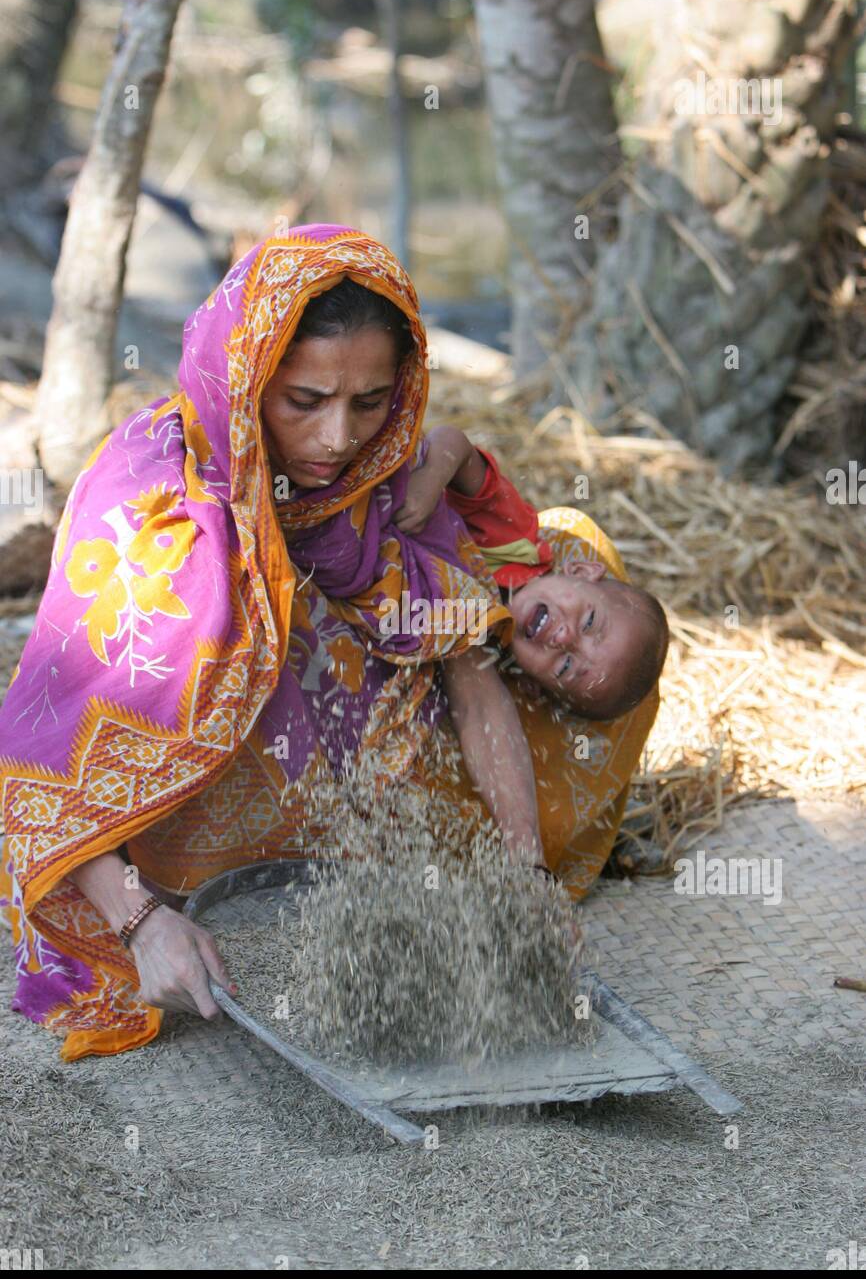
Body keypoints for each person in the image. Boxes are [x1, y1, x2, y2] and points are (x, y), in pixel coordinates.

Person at [0, 226, 657, 1063]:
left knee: (586, 571)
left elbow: (469, 673)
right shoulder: (155, 497)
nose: (338, 438)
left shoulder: (388, 481)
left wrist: (524, 878)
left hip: (371, 814)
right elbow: (45, 766)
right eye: (304, 402)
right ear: (246, 377)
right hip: (191, 839)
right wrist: (137, 922)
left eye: (372, 400)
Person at [394, 423, 669, 719]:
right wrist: (429, 480)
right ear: (580, 571)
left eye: (565, 666)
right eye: (589, 622)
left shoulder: (480, 666)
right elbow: (453, 443)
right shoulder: (513, 541)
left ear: (530, 686)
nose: (564, 638)